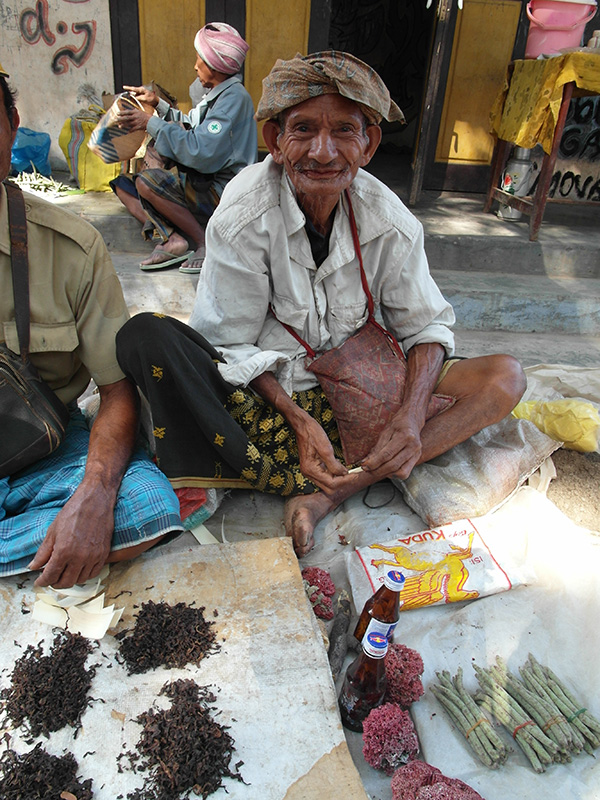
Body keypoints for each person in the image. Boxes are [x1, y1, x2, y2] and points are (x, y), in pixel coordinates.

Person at [116, 51, 526, 558]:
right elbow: (227, 340)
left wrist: (412, 418)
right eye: (303, 129)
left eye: (345, 132)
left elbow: (427, 328)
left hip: (372, 391)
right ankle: (344, 469)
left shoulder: (388, 220)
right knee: (149, 340)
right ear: (275, 142)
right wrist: (297, 417)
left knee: (505, 378)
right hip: (275, 401)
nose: (323, 152)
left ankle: (335, 491)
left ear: (370, 143)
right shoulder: (244, 214)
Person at [0, 63, 183, 589]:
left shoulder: (70, 247)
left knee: (145, 506)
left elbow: (117, 390)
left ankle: (55, 536)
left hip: (43, 448)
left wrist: (95, 496)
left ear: (11, 124)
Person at [113, 22, 257, 274]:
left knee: (147, 183)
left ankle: (203, 241)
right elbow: (194, 125)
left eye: (199, 59)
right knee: (123, 185)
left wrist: (151, 123)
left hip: (222, 191)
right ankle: (175, 238)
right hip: (203, 181)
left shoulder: (234, 99)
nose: (195, 66)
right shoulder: (218, 94)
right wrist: (159, 105)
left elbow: (200, 151)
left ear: (214, 65)